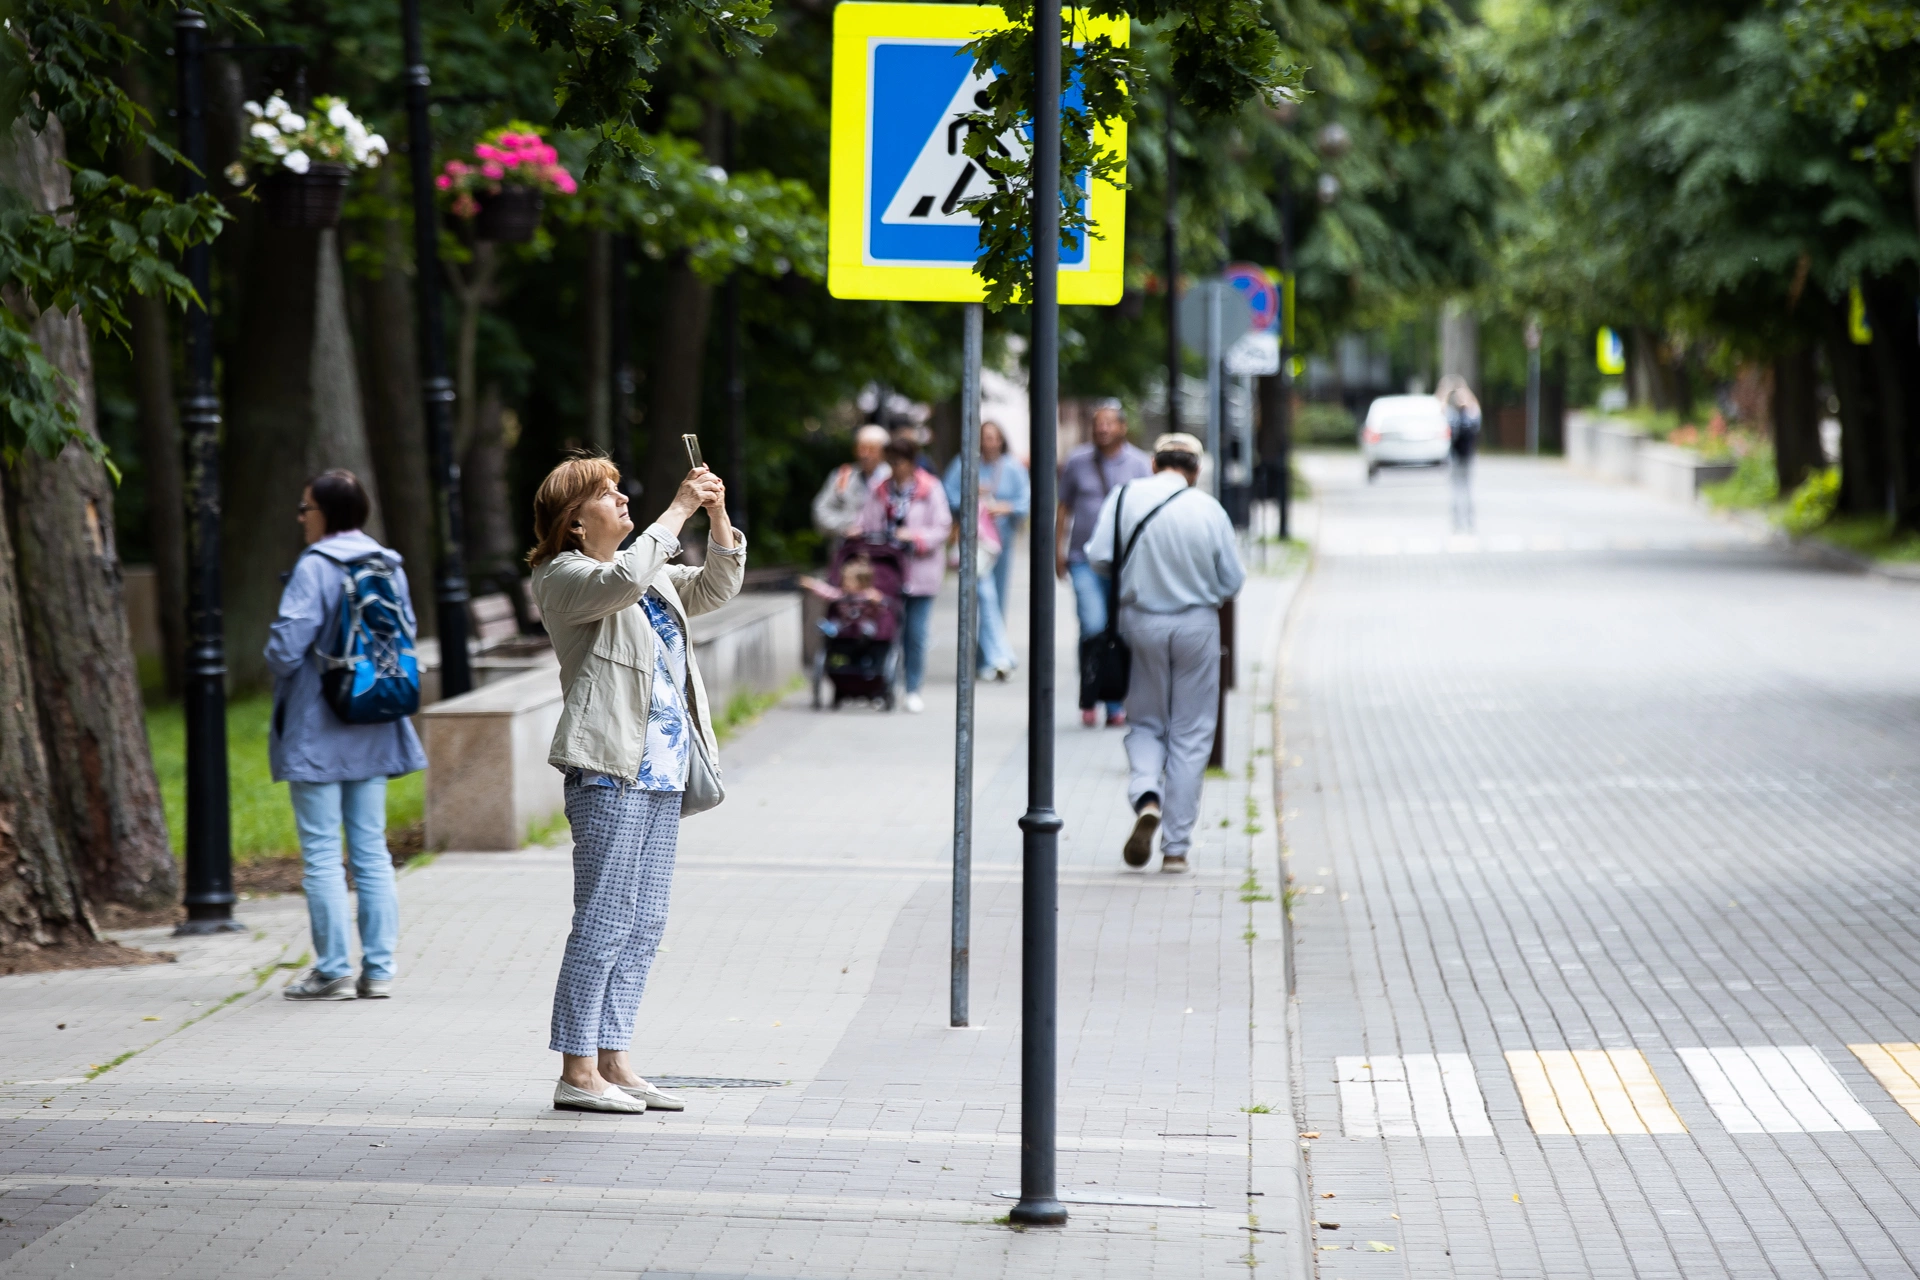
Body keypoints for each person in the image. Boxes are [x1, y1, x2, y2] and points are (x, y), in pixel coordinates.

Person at [529, 453, 744, 1115]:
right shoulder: (564, 576)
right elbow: (621, 580)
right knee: (604, 918)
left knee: (644, 921)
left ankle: (614, 1058)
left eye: (621, 491)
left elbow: (715, 587)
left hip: (662, 773)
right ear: (574, 522)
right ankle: (576, 1068)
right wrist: (678, 508)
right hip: (608, 771)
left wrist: (715, 515)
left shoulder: (646, 572)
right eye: (607, 494)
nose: (623, 501)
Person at [267, 469, 427, 1002]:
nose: (301, 517)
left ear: (327, 513)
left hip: (319, 724)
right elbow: (406, 631)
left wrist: (281, 662)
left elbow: (286, 648)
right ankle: (379, 970)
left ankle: (333, 969)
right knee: (371, 851)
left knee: (320, 854)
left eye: (306, 508)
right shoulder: (388, 564)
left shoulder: (315, 566)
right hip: (374, 718)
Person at [1084, 433, 1245, 874]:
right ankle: (1176, 849)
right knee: (1191, 732)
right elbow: (1233, 581)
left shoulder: (1123, 497)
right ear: (1196, 470)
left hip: (1139, 622)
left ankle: (1146, 796)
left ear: (1153, 464)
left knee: (1145, 722)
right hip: (1196, 625)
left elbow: (1099, 558)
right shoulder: (1208, 509)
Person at [1057, 399, 1152, 727]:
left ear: (1123, 427)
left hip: (1124, 562)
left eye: (1109, 423)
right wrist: (1057, 550)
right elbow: (1063, 506)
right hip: (1082, 558)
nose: (1103, 428)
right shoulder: (1077, 461)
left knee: (1121, 629)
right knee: (1093, 625)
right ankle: (1089, 694)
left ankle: (1114, 702)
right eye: (1098, 423)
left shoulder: (1139, 464)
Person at [859, 438, 951, 713]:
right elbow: (866, 521)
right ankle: (885, 686)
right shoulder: (880, 489)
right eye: (890, 462)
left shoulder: (930, 488)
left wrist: (914, 537)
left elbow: (942, 527)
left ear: (911, 463)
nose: (893, 468)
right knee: (885, 631)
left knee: (915, 633)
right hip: (888, 572)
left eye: (898, 462)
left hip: (920, 572)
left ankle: (912, 688)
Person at [942, 421, 1027, 681]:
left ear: (1001, 440)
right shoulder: (963, 463)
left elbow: (1025, 499)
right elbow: (947, 494)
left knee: (995, 599)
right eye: (984, 437)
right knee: (980, 598)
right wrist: (969, 496)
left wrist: (1005, 507)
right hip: (974, 544)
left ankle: (987, 659)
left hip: (1000, 544)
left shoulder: (1012, 467)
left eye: (993, 437)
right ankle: (996, 657)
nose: (989, 442)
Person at [811, 424, 890, 541]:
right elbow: (820, 511)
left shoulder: (892, 477)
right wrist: (846, 526)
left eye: (872, 449)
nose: (864, 454)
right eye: (861, 448)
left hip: (883, 547)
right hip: (847, 547)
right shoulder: (843, 476)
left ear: (884, 452)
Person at [1438, 374, 1482, 533]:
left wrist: (1448, 389)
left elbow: (1440, 405)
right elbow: (1475, 406)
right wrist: (1462, 388)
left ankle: (1461, 522)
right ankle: (1465, 522)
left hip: (1460, 458)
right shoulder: (1467, 417)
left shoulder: (1456, 417)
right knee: (1463, 491)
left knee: (1459, 491)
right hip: (1464, 458)